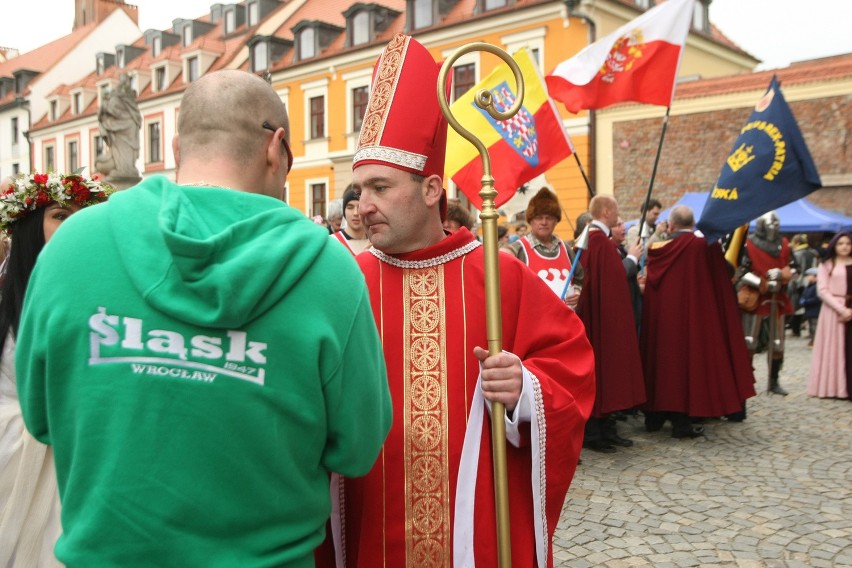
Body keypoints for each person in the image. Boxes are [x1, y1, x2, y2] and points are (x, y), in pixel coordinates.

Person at [16, 70, 392, 567]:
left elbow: (39, 417)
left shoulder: (71, 246)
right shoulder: (329, 271)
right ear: (275, 149)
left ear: (175, 146)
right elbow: (357, 447)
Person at [323, 33, 596, 567]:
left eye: (380, 187)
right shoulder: (344, 281)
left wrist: (525, 389)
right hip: (370, 523)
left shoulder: (500, 277)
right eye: (359, 191)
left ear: (430, 189)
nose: (364, 205)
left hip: (473, 533)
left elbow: (572, 368)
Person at [0, 171, 112, 567]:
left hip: (83, 460)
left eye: (83, 215)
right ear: (31, 226)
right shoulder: (6, 301)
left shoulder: (103, 296)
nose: (74, 225)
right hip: (14, 459)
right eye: (61, 215)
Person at [640, 206, 755, 437]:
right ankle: (681, 424)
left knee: (661, 364)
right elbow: (723, 274)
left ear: (670, 226)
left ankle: (654, 417)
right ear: (692, 225)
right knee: (685, 368)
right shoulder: (704, 246)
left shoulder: (656, 248)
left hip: (662, 323)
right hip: (692, 319)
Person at [575, 195, 646, 453]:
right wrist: (632, 261)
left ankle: (605, 428)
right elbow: (615, 276)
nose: (619, 216)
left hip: (599, 317)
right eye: (616, 210)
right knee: (601, 373)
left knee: (604, 374)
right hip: (602, 322)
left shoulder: (594, 240)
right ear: (606, 211)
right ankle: (595, 432)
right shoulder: (599, 241)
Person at [735, 211, 796, 396]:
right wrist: (762, 283)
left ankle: (773, 381)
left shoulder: (784, 244)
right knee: (749, 342)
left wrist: (782, 274)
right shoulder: (748, 244)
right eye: (770, 225)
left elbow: (794, 267)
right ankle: (746, 381)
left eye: (776, 225)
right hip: (755, 298)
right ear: (761, 225)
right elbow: (740, 271)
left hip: (777, 299)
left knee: (777, 344)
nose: (773, 228)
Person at [508, 187, 583, 308]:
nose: (544, 222)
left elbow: (579, 278)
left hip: (565, 322)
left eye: (549, 217)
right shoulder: (519, 249)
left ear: (556, 221)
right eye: (539, 217)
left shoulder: (566, 249)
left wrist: (577, 292)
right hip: (534, 323)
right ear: (531, 220)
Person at [807, 231, 852, 399]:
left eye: (848, 243)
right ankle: (836, 388)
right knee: (835, 350)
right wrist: (842, 309)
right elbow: (822, 291)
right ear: (834, 246)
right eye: (841, 244)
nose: (845, 247)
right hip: (833, 311)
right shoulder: (827, 264)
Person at [96, 73, 142, 179]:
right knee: (119, 149)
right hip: (123, 128)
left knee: (123, 149)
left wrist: (105, 107)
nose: (124, 84)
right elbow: (110, 112)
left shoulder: (118, 98)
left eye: (125, 81)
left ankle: (124, 168)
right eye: (122, 81)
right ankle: (122, 167)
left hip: (127, 127)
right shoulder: (116, 97)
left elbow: (111, 111)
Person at [330, 184, 370, 255]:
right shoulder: (333, 242)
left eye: (359, 207)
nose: (355, 213)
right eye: (350, 207)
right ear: (344, 211)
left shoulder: (375, 244)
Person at [799, 267, 821, 346]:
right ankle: (813, 339)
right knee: (811, 326)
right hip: (809, 310)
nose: (807, 277)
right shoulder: (809, 286)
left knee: (814, 326)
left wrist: (806, 301)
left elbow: (817, 298)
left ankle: (816, 341)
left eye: (809, 275)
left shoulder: (817, 286)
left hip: (815, 310)